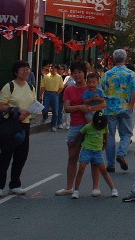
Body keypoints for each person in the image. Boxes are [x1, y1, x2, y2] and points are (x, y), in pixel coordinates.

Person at [55, 61, 107, 196]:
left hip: (94, 126)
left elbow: (103, 104)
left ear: (85, 73)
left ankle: (96, 187)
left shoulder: (94, 87)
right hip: (76, 125)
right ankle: (69, 187)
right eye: (74, 72)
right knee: (72, 156)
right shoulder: (69, 90)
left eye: (79, 72)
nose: (77, 75)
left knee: (95, 157)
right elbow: (67, 108)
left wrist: (90, 108)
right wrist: (79, 107)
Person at [0, 60, 37, 197]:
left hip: (25, 123)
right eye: (22, 69)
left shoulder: (31, 87)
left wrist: (27, 113)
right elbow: (1, 106)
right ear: (16, 72)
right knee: (6, 155)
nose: (25, 72)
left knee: (21, 155)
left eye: (27, 69)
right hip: (11, 124)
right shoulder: (9, 86)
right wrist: (16, 111)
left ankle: (15, 184)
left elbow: (33, 103)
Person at [100, 49, 135, 173]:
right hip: (125, 107)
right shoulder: (130, 74)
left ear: (113, 59)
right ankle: (121, 153)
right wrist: (131, 104)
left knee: (110, 136)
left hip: (110, 108)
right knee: (126, 134)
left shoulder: (107, 74)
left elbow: (101, 90)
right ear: (125, 59)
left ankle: (110, 164)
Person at [70, 111, 118, 199]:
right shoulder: (88, 127)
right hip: (87, 150)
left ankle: (113, 189)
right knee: (81, 169)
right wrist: (74, 143)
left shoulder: (104, 128)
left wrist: (105, 144)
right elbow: (80, 134)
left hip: (97, 151)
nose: (99, 128)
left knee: (103, 170)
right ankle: (76, 190)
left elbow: (105, 137)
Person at [40, 64, 64, 131]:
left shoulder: (59, 77)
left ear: (56, 69)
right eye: (51, 68)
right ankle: (45, 117)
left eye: (53, 68)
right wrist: (40, 95)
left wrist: (58, 93)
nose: (52, 69)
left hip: (54, 94)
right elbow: (42, 87)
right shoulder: (46, 77)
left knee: (55, 111)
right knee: (45, 109)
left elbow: (61, 87)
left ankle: (53, 125)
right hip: (47, 93)